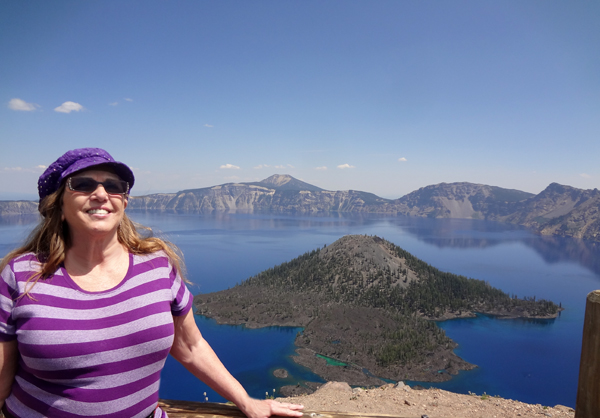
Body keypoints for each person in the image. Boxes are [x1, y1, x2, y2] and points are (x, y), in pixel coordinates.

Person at [0, 148, 304, 418]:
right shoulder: (22, 276)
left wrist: (247, 402)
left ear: (123, 202)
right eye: (83, 184)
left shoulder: (157, 265)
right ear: (59, 205)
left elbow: (190, 346)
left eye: (113, 186)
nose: (101, 194)